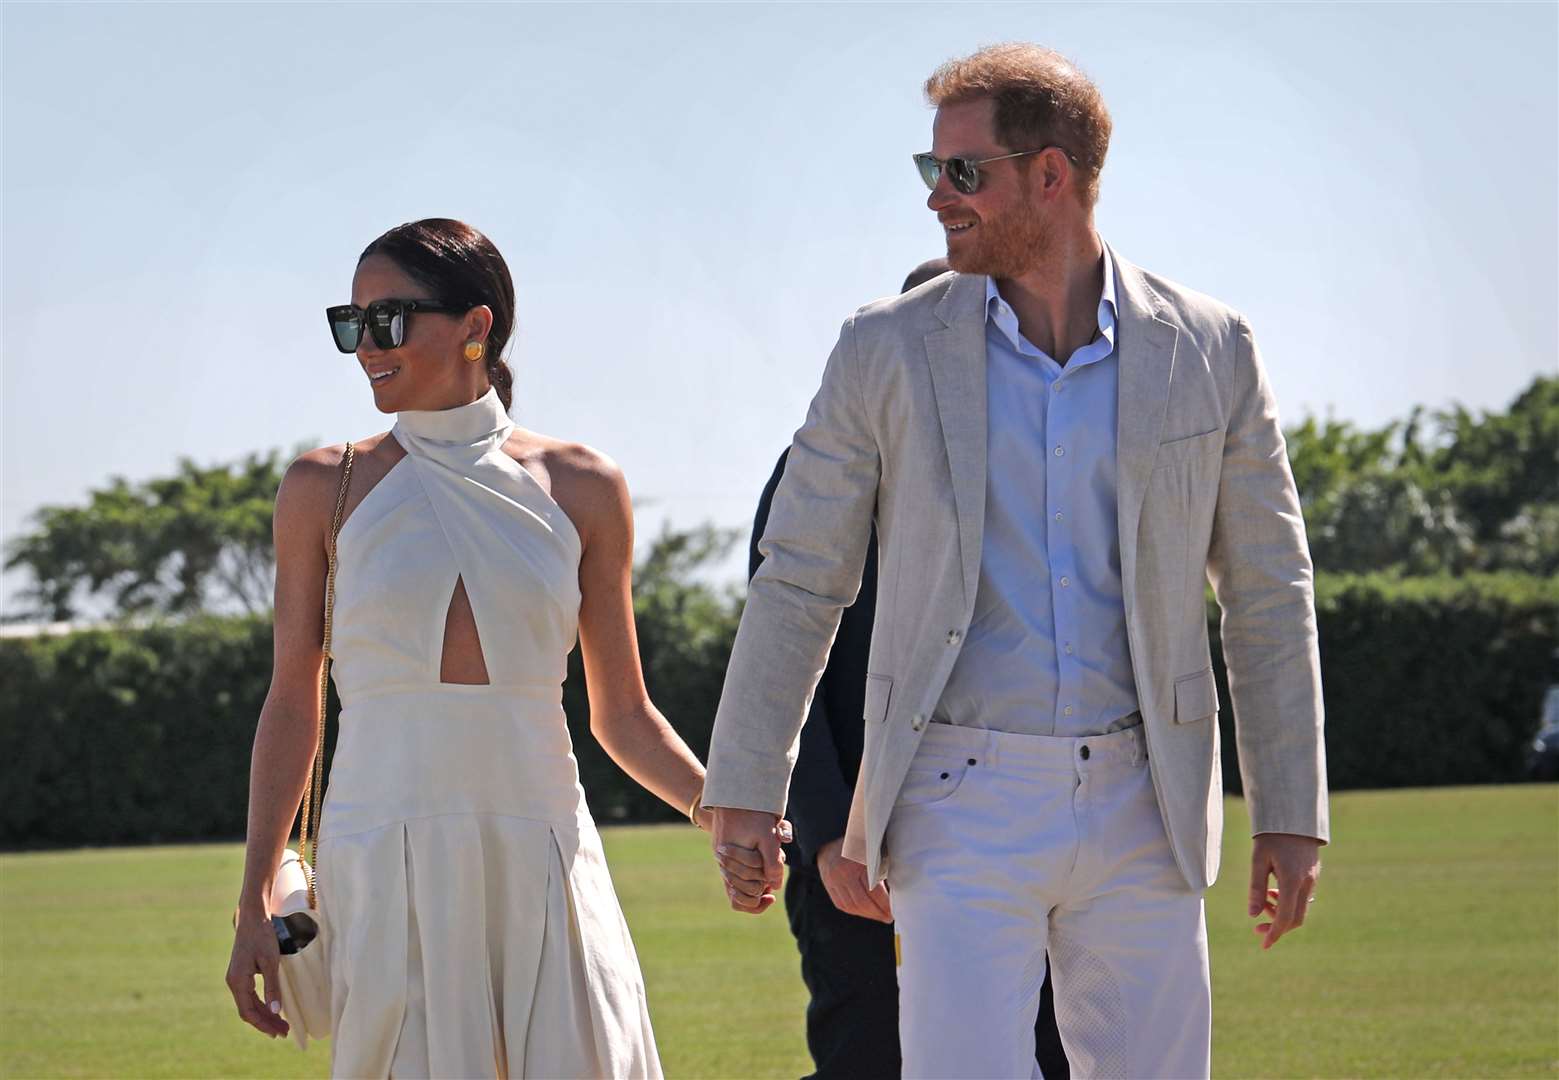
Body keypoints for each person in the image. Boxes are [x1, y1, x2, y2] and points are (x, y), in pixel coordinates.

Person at [707, 44, 1328, 1078]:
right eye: (930, 171)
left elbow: (1267, 591)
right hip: (955, 794)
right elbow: (799, 576)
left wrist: (1291, 813)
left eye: (962, 173)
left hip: (1147, 795)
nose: (936, 200)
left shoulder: (1210, 348)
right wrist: (744, 785)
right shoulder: (882, 348)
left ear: (1051, 174)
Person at [225, 218, 729, 1078]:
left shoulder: (583, 484)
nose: (364, 347)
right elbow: (290, 699)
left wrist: (726, 812)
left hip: (543, 845)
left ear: (476, 325)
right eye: (351, 324)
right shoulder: (321, 485)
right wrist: (252, 898)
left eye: (387, 320)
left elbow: (624, 713)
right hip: (383, 849)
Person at [752, 256, 1069, 1080]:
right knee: (869, 1059)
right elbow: (787, 666)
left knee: (1051, 1056)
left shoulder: (1060, 469)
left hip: (1037, 845)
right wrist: (824, 838)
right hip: (859, 857)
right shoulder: (816, 467)